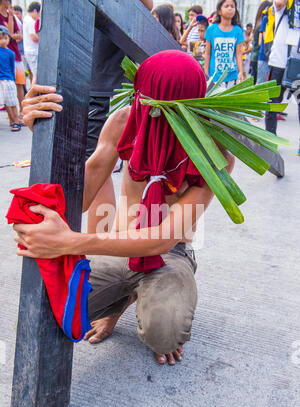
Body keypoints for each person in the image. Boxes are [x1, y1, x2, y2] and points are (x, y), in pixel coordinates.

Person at [16, 51, 235, 366]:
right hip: (115, 246)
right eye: (148, 108)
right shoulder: (124, 121)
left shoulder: (215, 150)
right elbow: (82, 194)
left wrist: (70, 241)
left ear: (195, 107)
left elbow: (163, 238)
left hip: (170, 253)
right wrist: (45, 137)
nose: (153, 118)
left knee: (164, 333)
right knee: (44, 313)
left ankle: (156, 301)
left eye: (168, 111)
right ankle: (123, 298)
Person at [86, 0, 153, 235]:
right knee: (126, 164)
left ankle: (101, 248)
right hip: (116, 81)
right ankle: (114, 245)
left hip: (102, 81)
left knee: (101, 168)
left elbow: (147, 5)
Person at [264, 0, 298, 135]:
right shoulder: (286, 5)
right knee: (272, 103)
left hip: (297, 63)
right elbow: (278, 3)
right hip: (279, 62)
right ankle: (270, 139)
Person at [204, 0, 244, 86]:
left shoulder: (238, 30)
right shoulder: (211, 29)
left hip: (232, 77)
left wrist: (240, 72)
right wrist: (206, 74)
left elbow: (238, 54)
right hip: (214, 77)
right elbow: (207, 54)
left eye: (232, 6)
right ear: (219, 11)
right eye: (226, 6)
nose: (230, 9)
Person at [0, 0, 25, 123]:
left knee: (19, 84)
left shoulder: (12, 16)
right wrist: (11, 36)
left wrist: (10, 16)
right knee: (4, 88)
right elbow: (10, 35)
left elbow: (17, 36)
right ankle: (12, 118)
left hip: (14, 53)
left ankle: (22, 113)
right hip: (2, 54)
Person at [0, 25, 21, 131]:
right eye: (0, 38)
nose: (3, 41)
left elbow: (12, 68)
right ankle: (12, 120)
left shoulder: (10, 53)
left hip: (8, 80)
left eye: (5, 38)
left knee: (12, 101)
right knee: (5, 102)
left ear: (9, 39)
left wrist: (13, 80)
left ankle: (16, 122)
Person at [251, 1, 272, 84]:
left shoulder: (257, 24)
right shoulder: (263, 23)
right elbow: (260, 42)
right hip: (259, 56)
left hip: (255, 56)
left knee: (255, 82)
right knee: (259, 82)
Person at [23, 1, 40, 86]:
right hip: (32, 51)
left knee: (35, 74)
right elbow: (33, 37)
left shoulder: (26, 19)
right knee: (36, 75)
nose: (39, 16)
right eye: (39, 13)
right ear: (35, 11)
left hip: (30, 50)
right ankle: (34, 93)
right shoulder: (30, 21)